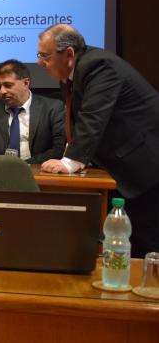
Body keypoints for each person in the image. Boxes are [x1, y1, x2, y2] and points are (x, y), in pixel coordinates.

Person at [37, 24, 159, 257]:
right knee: (129, 241)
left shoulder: (98, 66)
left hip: (145, 165)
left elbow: (94, 116)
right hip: (125, 163)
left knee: (146, 242)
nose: (40, 62)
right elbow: (77, 120)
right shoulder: (72, 74)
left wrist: (70, 162)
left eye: (45, 56)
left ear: (69, 54)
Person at [0, 59, 65, 164]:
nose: (2, 91)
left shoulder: (52, 108)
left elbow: (58, 149)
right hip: (1, 169)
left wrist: (24, 166)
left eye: (8, 85)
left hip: (38, 168)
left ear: (26, 83)